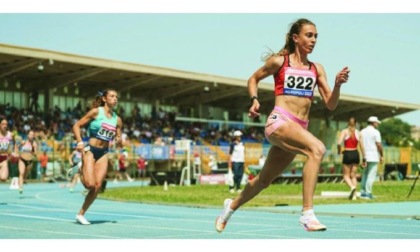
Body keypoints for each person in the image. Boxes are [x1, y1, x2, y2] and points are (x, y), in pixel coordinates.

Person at [215, 18, 350, 232]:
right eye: (309, 35)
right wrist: (254, 100)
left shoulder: (317, 69)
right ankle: (307, 213)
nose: (313, 40)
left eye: (316, 36)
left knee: (264, 181)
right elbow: (253, 79)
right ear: (296, 38)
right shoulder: (280, 62)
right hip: (279, 121)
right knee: (317, 149)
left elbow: (331, 104)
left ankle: (229, 207)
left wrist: (337, 85)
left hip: (298, 128)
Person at [72, 89, 123, 225]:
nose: (115, 99)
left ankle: (80, 214)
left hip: (104, 153)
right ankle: (80, 167)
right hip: (90, 150)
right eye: (112, 96)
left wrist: (118, 140)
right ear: (105, 99)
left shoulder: (117, 119)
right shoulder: (96, 112)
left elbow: (118, 136)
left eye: (116, 97)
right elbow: (76, 126)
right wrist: (79, 142)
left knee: (97, 186)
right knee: (89, 185)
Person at [337, 116, 365, 200]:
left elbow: (339, 143)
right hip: (356, 154)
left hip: (348, 153)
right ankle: (354, 195)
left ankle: (352, 187)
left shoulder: (345, 132)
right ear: (356, 123)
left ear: (348, 123)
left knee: (346, 176)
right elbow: (362, 147)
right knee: (353, 176)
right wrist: (364, 159)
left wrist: (339, 151)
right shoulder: (358, 133)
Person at [359, 116, 383, 200]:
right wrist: (381, 155)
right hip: (373, 156)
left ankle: (362, 192)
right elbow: (379, 145)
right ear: (373, 123)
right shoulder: (376, 132)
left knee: (365, 174)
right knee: (371, 175)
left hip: (365, 156)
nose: (377, 124)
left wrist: (363, 157)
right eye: (376, 123)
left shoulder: (362, 131)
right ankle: (368, 193)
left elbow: (361, 144)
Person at [15, 130, 37, 194]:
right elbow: (17, 146)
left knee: (25, 175)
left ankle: (21, 182)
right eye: (30, 134)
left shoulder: (34, 144)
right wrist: (16, 153)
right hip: (22, 159)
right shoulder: (23, 142)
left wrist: (33, 150)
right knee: (21, 173)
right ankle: (21, 187)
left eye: (32, 135)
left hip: (30, 161)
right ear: (28, 135)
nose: (31, 136)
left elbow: (35, 154)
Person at [0, 118, 15, 183]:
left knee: (3, 178)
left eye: (6, 124)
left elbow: (13, 144)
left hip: (4, 159)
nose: (5, 125)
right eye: (3, 124)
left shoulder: (10, 135)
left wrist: (11, 153)